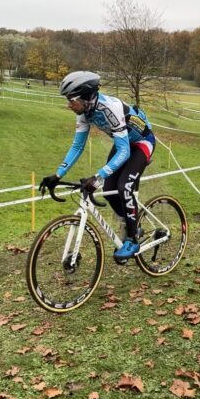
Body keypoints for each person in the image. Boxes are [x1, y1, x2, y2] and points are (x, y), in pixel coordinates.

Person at [39, 71, 156, 264]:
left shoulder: (110, 108)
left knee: (123, 186)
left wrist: (98, 176)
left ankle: (133, 239)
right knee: (110, 191)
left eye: (71, 99)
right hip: (124, 144)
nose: (69, 104)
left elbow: (124, 152)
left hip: (142, 143)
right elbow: (77, 147)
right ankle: (131, 224)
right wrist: (58, 174)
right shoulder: (84, 112)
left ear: (86, 97)